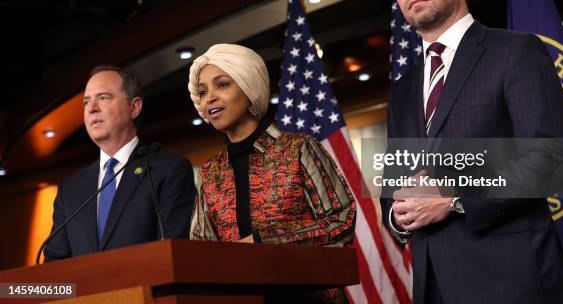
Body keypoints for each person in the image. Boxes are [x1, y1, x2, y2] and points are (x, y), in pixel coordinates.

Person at [380, 0, 563, 303]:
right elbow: (394, 186)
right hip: (433, 284)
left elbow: (554, 160)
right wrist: (398, 214)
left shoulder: (515, 51)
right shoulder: (402, 89)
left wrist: (454, 199)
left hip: (514, 282)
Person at [187, 44, 355, 300]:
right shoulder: (211, 172)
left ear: (249, 88)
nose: (209, 97)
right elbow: (201, 251)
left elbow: (340, 222)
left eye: (222, 85)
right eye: (202, 91)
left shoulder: (298, 148)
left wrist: (263, 244)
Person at [44, 66, 195, 261]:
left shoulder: (167, 171)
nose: (92, 108)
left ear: (134, 107)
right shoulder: (70, 189)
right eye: (86, 101)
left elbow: (173, 252)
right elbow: (54, 263)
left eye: (104, 98)